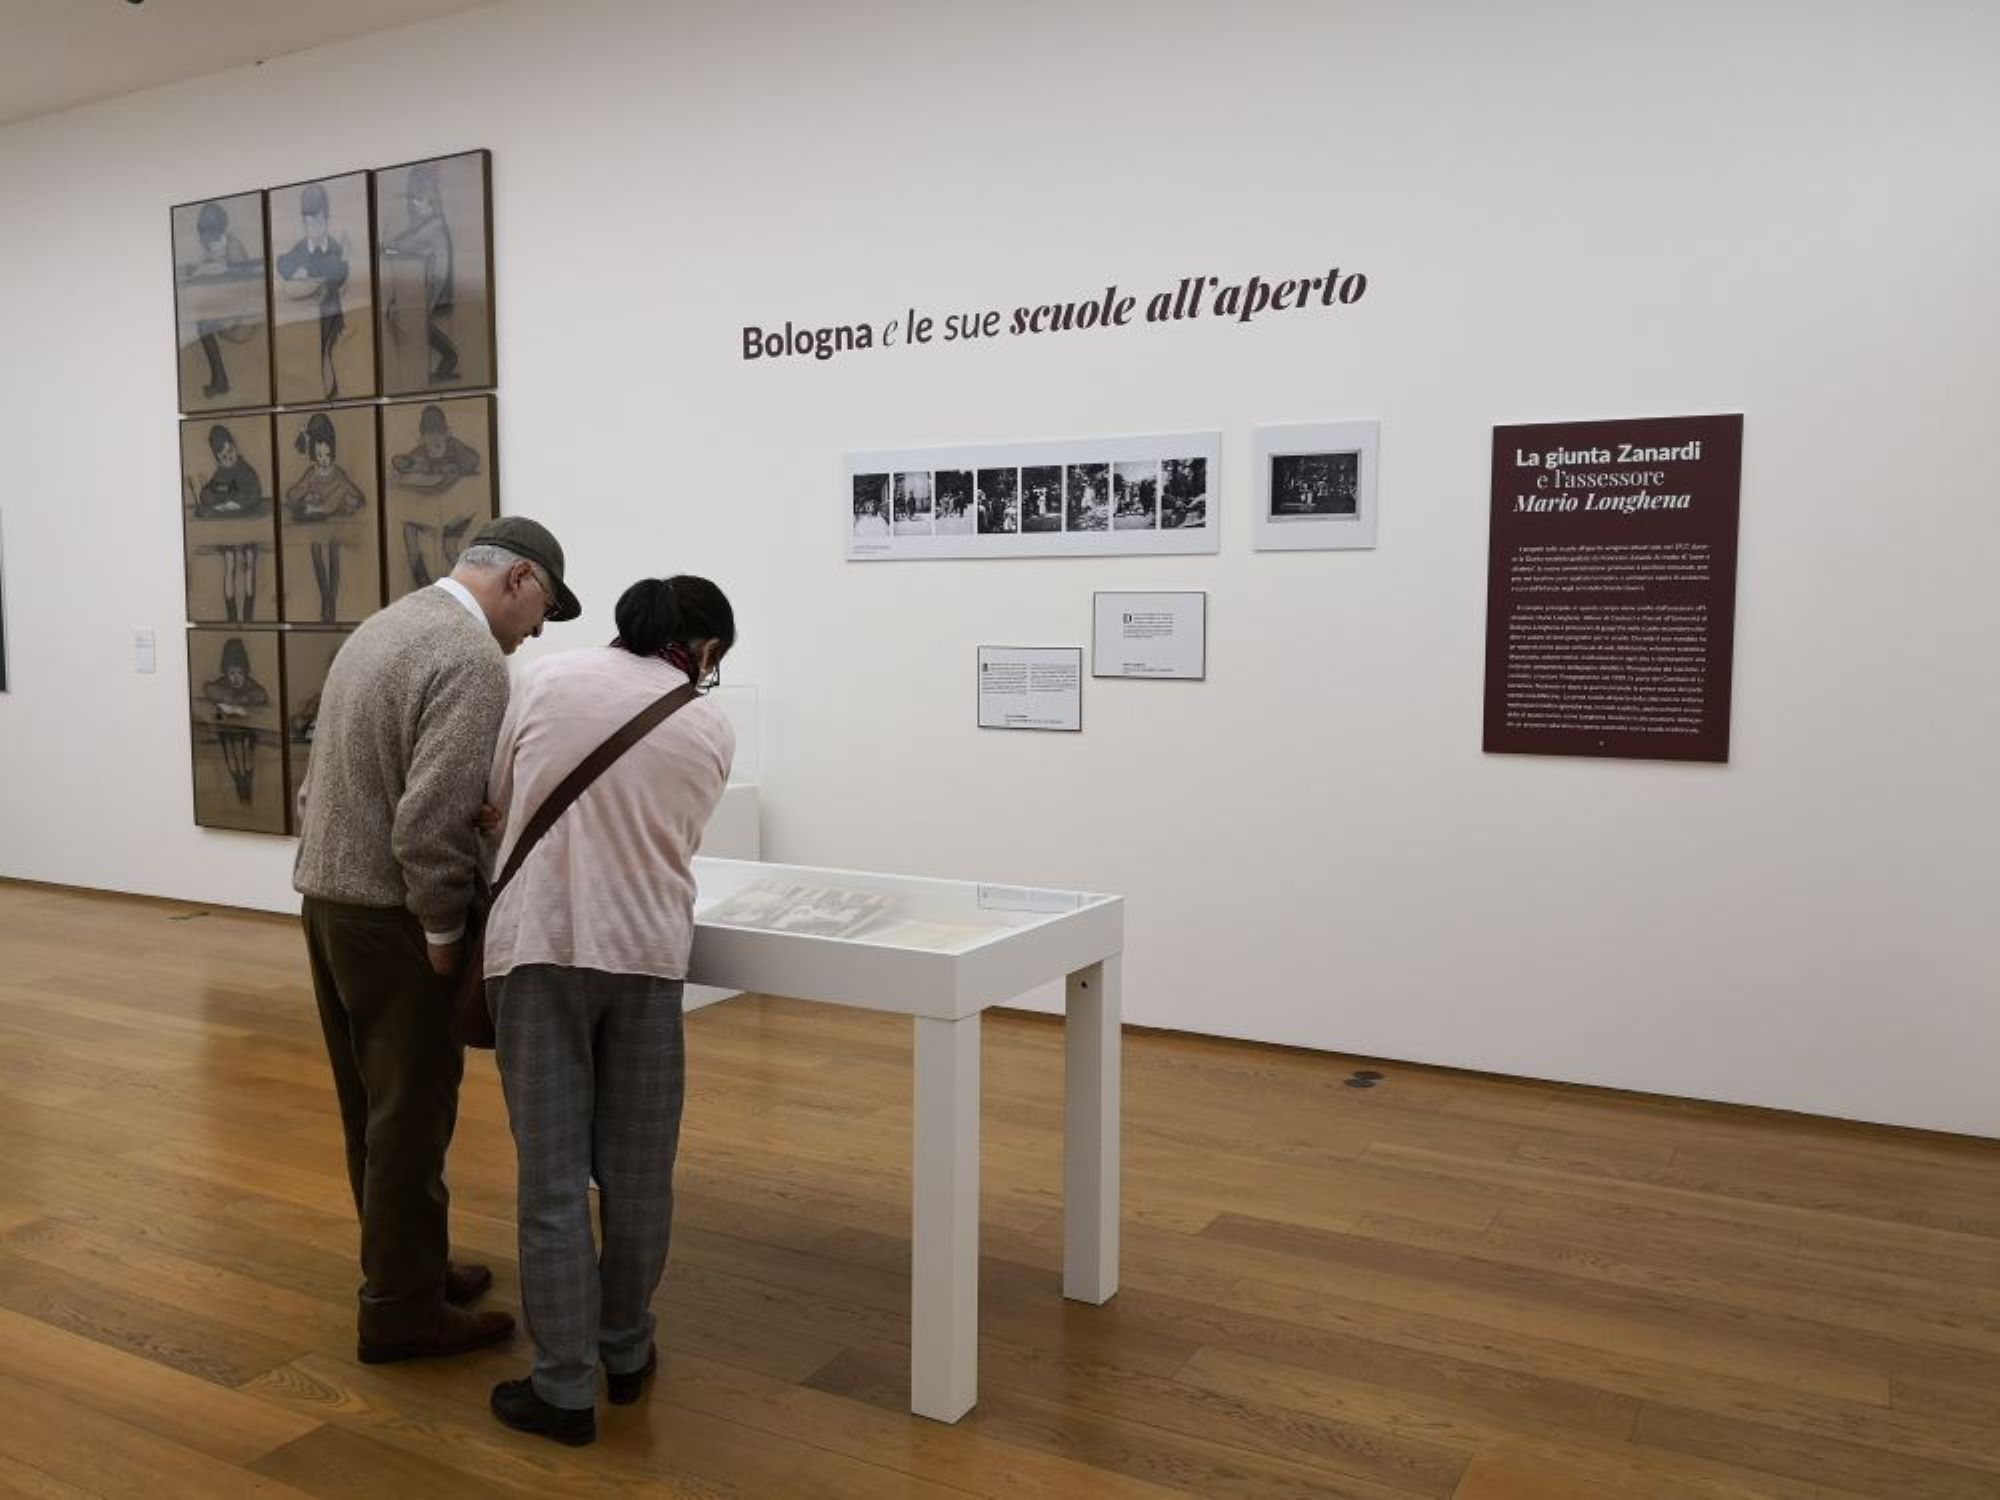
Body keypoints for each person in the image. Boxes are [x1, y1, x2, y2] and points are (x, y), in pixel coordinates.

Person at [293, 516, 581, 1366]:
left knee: (372, 1111)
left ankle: (406, 1270)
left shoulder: (386, 625)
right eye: (542, 614)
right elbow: (426, 827)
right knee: (413, 1115)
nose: (532, 638)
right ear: (520, 580)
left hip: (329, 901)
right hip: (393, 920)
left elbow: (327, 783)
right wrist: (447, 935)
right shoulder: (469, 659)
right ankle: (400, 1311)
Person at [481, 575, 737, 1445]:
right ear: (704, 649)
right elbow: (684, 833)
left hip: (537, 951)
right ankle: (626, 1353)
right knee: (636, 1174)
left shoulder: (547, 679)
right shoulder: (706, 724)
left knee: (551, 1181)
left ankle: (562, 1388)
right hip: (647, 959)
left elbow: (498, 799)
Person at [284, 412, 367, 623]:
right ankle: (325, 599)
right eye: (319, 455)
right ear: (313, 453)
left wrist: (351, 501)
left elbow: (357, 495)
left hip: (334, 525)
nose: (322, 461)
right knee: (315, 549)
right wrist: (306, 495)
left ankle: (332, 600)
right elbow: (292, 495)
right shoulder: (311, 474)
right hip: (315, 524)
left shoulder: (338, 474)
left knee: (333, 552)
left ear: (333, 453)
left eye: (327, 455)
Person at [382, 162, 458, 382]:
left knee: (411, 320)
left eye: (421, 199)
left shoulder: (434, 221)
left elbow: (414, 240)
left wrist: (393, 247)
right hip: (422, 281)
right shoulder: (424, 216)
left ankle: (448, 357)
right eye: (414, 200)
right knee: (402, 317)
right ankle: (445, 358)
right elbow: (413, 240)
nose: (417, 205)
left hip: (435, 283)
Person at [275, 181, 350, 400]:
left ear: (326, 218)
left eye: (316, 220)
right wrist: (296, 268)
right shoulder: (299, 249)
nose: (312, 226)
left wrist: (306, 268)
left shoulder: (335, 247)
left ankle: (331, 390)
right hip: (306, 318)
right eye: (307, 221)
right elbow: (283, 263)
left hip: (331, 314)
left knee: (330, 355)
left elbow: (337, 269)